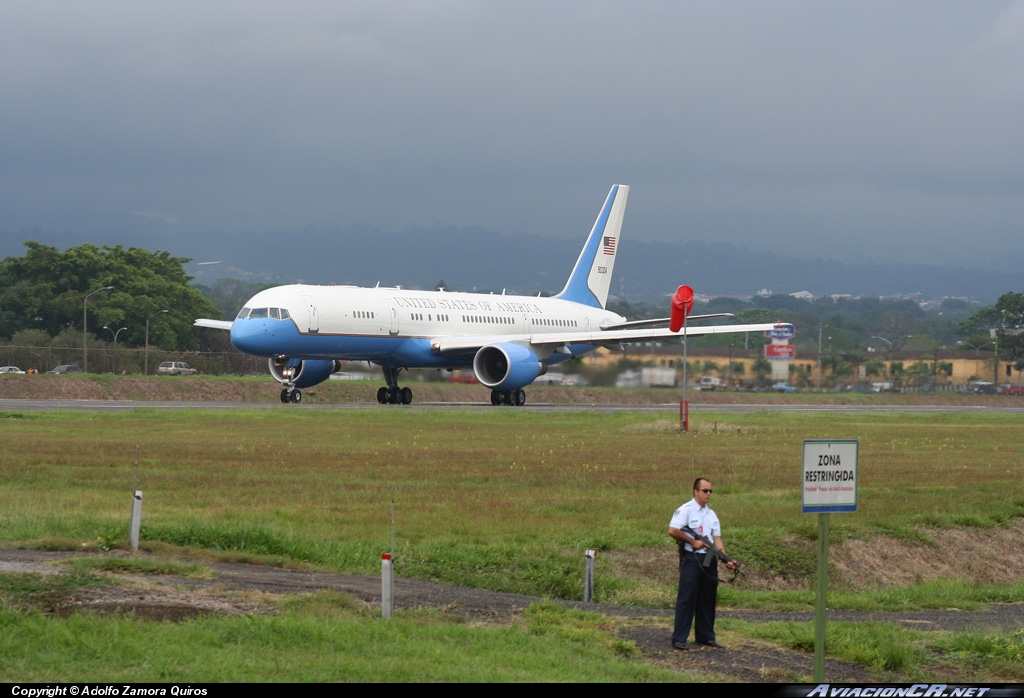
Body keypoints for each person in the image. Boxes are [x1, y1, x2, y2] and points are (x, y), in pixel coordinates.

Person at [668, 477, 735, 650]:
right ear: (695, 491)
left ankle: (705, 636)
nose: (709, 494)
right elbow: (673, 530)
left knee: (707, 598)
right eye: (705, 491)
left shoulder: (711, 514)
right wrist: (692, 542)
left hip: (709, 560)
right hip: (692, 559)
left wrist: (725, 558)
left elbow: (716, 538)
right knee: (687, 598)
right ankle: (679, 639)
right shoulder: (686, 510)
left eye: (710, 491)